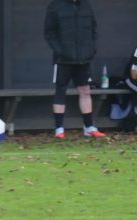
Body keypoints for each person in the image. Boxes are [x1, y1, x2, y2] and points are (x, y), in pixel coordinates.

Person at [44, 0, 105, 139]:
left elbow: (93, 28)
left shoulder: (86, 5)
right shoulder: (55, 5)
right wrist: (60, 51)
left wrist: (91, 49)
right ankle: (59, 129)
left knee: (85, 90)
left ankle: (89, 127)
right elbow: (49, 33)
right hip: (63, 59)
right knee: (61, 90)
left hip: (83, 59)